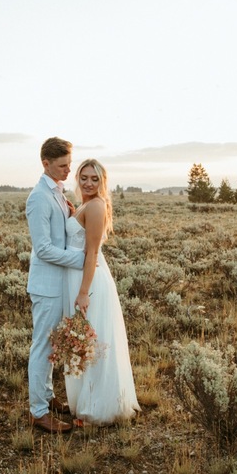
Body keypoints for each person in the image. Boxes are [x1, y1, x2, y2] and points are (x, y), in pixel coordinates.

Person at [64, 158, 141, 426]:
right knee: (84, 340)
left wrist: (84, 292)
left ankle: (98, 408)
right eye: (84, 177)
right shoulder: (84, 204)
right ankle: (88, 399)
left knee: (93, 339)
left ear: (102, 182)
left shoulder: (96, 206)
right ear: (77, 178)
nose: (88, 182)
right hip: (79, 278)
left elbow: (92, 252)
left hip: (90, 281)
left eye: (94, 179)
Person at [25, 137, 85, 433]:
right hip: (46, 285)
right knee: (42, 347)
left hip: (59, 283)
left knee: (51, 347)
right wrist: (82, 260)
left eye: (69, 164)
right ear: (45, 164)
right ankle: (38, 412)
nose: (68, 170)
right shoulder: (38, 197)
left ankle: (47, 397)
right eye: (62, 165)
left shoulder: (59, 193)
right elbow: (44, 248)